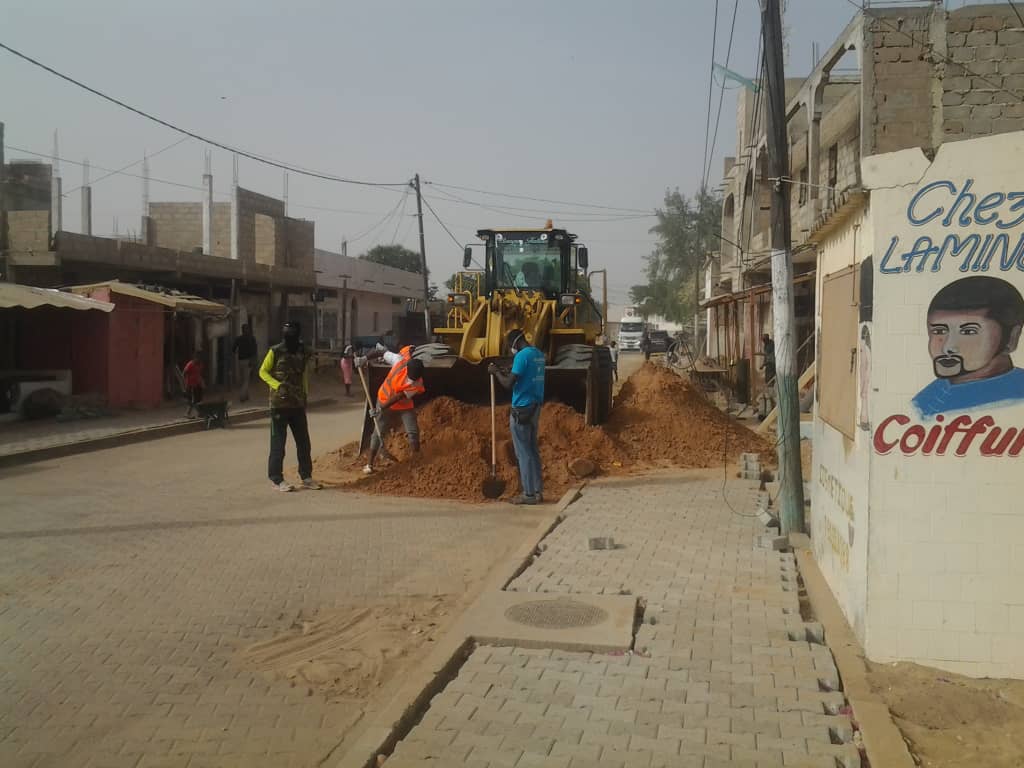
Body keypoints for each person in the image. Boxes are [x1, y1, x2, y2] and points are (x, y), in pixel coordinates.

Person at [912, 276, 1024, 418]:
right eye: (939, 331)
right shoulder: (922, 403)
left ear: (1011, 338)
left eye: (968, 332)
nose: (948, 347)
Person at [259, 321, 321, 492]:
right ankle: (277, 479)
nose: (289, 335)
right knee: (278, 444)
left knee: (303, 443)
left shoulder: (303, 351)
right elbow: (262, 371)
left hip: (298, 404)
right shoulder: (275, 351)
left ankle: (306, 476)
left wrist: (305, 396)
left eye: (292, 331)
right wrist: (276, 385)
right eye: (286, 331)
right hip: (279, 405)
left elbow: (304, 376)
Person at [489, 329, 545, 505]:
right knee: (533, 450)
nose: (510, 349)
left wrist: (495, 372)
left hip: (521, 409)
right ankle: (537, 491)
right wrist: (507, 370)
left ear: (515, 342)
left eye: (509, 346)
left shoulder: (521, 356)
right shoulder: (538, 354)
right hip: (535, 407)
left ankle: (528, 495)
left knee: (523, 453)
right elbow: (523, 374)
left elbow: (507, 384)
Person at [355, 345, 425, 474]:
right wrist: (364, 359)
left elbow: (399, 397)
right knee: (378, 431)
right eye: (410, 376)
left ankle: (416, 462)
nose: (411, 380)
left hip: (403, 405)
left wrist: (380, 409)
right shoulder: (398, 361)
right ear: (407, 367)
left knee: (413, 431)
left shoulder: (416, 384)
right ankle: (369, 464)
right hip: (384, 398)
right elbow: (381, 351)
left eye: (414, 378)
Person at [232, 323, 258, 402]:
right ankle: (242, 396)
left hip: (240, 361)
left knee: (244, 379)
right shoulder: (252, 338)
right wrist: (253, 360)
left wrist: (238, 353)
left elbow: (233, 349)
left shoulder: (238, 338)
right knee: (246, 380)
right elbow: (254, 351)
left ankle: (246, 396)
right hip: (248, 361)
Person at [182, 351, 205, 418]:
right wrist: (185, 383)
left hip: (198, 384)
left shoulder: (200, 364)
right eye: (197, 358)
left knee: (199, 400)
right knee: (193, 400)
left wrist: (202, 382)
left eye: (199, 358)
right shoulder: (190, 364)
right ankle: (187, 413)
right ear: (194, 358)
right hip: (191, 385)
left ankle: (200, 413)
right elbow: (184, 373)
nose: (198, 359)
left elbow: (199, 374)